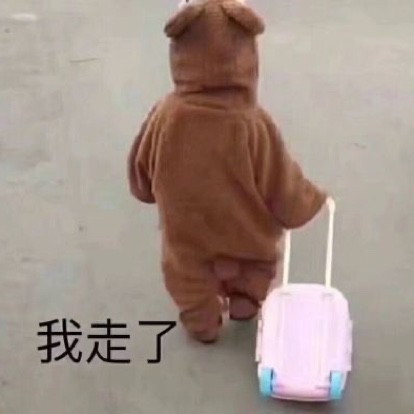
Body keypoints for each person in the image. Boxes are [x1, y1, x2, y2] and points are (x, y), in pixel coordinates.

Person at [127, 0, 327, 344]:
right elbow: (278, 176)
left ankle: (201, 319)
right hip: (243, 225)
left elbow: (142, 159)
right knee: (255, 259)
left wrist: (144, 185)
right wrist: (305, 199)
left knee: (188, 271)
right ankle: (245, 298)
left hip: (186, 226)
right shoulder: (252, 122)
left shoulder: (167, 114)